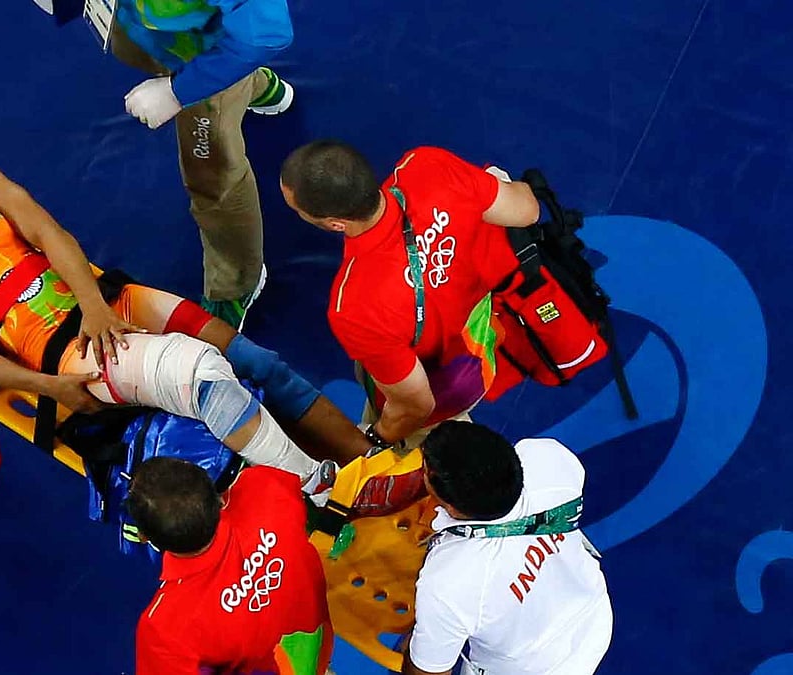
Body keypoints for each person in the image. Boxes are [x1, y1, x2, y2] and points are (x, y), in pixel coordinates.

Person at [0, 119, 388, 492]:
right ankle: (316, 485)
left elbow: (49, 232)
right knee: (204, 378)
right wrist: (49, 387)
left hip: (101, 303)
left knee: (259, 363)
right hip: (62, 353)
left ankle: (371, 466)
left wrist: (97, 307)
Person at [279, 141, 541, 450]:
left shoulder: (354, 306)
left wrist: (377, 437)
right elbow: (528, 210)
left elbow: (416, 407)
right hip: (483, 344)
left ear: (336, 224)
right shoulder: (429, 165)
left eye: (298, 210)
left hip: (446, 388)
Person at [105, 0, 298, 329]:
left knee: (213, 175)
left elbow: (266, 32)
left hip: (202, 52)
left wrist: (179, 91)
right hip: (148, 32)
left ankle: (237, 281)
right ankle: (250, 81)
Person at [402, 422, 612, 675]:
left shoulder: (448, 583)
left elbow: (429, 673)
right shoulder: (550, 458)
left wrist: (419, 646)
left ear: (453, 508)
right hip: (595, 618)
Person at [127, 457, 332, 675]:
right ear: (216, 496)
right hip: (317, 644)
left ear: (144, 536)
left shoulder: (164, 629)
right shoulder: (263, 485)